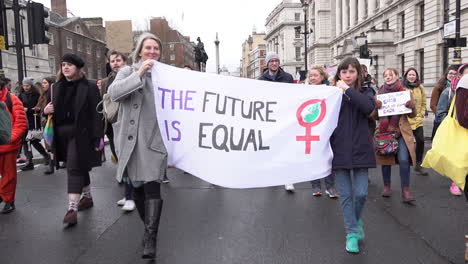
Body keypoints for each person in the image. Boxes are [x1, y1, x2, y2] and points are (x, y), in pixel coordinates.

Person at [108, 33, 166, 259]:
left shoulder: (166, 76)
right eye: (148, 48)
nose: (152, 52)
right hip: (130, 140)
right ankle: (148, 228)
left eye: (156, 49)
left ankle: (151, 237)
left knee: (152, 187)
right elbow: (113, 93)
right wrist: (140, 74)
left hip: (154, 139)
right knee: (139, 189)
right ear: (140, 51)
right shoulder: (127, 71)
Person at [43, 53, 103, 226]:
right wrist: (44, 111)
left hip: (81, 135)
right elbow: (46, 112)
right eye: (63, 65)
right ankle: (88, 198)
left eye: (69, 64)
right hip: (61, 135)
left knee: (74, 168)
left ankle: (72, 209)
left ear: (77, 68)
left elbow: (97, 114)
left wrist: (97, 136)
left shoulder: (90, 87)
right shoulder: (55, 87)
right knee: (79, 166)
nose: (65, 67)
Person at [331, 57, 376, 254]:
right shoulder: (331, 94)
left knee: (361, 193)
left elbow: (367, 108)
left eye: (351, 72)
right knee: (346, 196)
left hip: (361, 148)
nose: (348, 76)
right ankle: (351, 233)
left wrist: (347, 90)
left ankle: (356, 220)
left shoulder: (366, 91)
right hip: (338, 149)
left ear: (358, 73)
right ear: (338, 74)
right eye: (344, 72)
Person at [374, 68, 417, 202]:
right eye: (385, 75)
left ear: (397, 76)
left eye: (390, 75)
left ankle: (406, 189)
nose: (388, 77)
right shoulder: (379, 93)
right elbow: (374, 116)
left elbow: (413, 115)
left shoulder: (405, 92)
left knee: (404, 159)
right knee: (385, 159)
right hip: (384, 131)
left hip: (401, 131)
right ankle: (387, 186)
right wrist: (376, 107)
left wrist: (411, 106)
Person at [101, 50, 136, 212]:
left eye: (118, 60)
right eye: (112, 61)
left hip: (128, 121)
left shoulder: (131, 75)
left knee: (129, 159)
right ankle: (129, 194)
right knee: (122, 157)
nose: (115, 63)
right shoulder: (107, 80)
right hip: (113, 122)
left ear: (125, 62)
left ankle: (131, 196)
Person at [258, 51, 295, 192]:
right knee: (272, 149)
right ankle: (273, 176)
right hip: (269, 119)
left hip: (285, 117)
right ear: (267, 64)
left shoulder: (287, 77)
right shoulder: (261, 80)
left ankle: (288, 179)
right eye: (271, 61)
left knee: (286, 148)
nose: (274, 63)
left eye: (276, 60)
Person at [306, 66, 338, 198]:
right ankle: (316, 186)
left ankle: (330, 186)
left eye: (315, 75)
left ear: (322, 77)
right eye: (311, 76)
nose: (312, 78)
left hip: (326, 128)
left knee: (328, 157)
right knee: (314, 157)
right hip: (311, 128)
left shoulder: (330, 90)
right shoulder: (304, 91)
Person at [0, 77, 27, 214]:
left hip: (8, 146)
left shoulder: (12, 100)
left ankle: (9, 200)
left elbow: (21, 123)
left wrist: (8, 138)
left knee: (8, 175)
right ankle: (2, 193)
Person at [18, 77, 50, 171]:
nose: (25, 87)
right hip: (24, 120)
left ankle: (45, 155)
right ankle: (29, 161)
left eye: (27, 85)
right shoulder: (21, 95)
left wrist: (28, 110)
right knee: (24, 141)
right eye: (24, 85)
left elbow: (38, 108)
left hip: (33, 121)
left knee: (33, 140)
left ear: (31, 86)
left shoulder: (36, 95)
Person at [403, 68, 429, 176]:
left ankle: (418, 164)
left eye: (413, 75)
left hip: (417, 119)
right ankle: (409, 162)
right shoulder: (402, 87)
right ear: (406, 76)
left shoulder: (420, 87)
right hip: (406, 119)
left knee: (421, 141)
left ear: (416, 76)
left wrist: (421, 113)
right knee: (407, 143)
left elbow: (423, 102)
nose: (412, 76)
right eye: (410, 74)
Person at [430, 65, 458, 138]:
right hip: (441, 119)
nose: (452, 75)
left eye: (455, 74)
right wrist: (442, 117)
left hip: (453, 120)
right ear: (446, 74)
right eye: (450, 73)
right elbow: (432, 105)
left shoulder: (458, 86)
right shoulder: (439, 86)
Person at [34, 77, 55, 174]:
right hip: (46, 122)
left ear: (50, 84)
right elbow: (40, 108)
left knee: (56, 144)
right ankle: (51, 166)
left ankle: (63, 161)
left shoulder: (54, 94)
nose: (43, 85)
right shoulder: (42, 96)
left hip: (55, 122)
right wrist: (38, 110)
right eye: (42, 83)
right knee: (49, 145)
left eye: (45, 83)